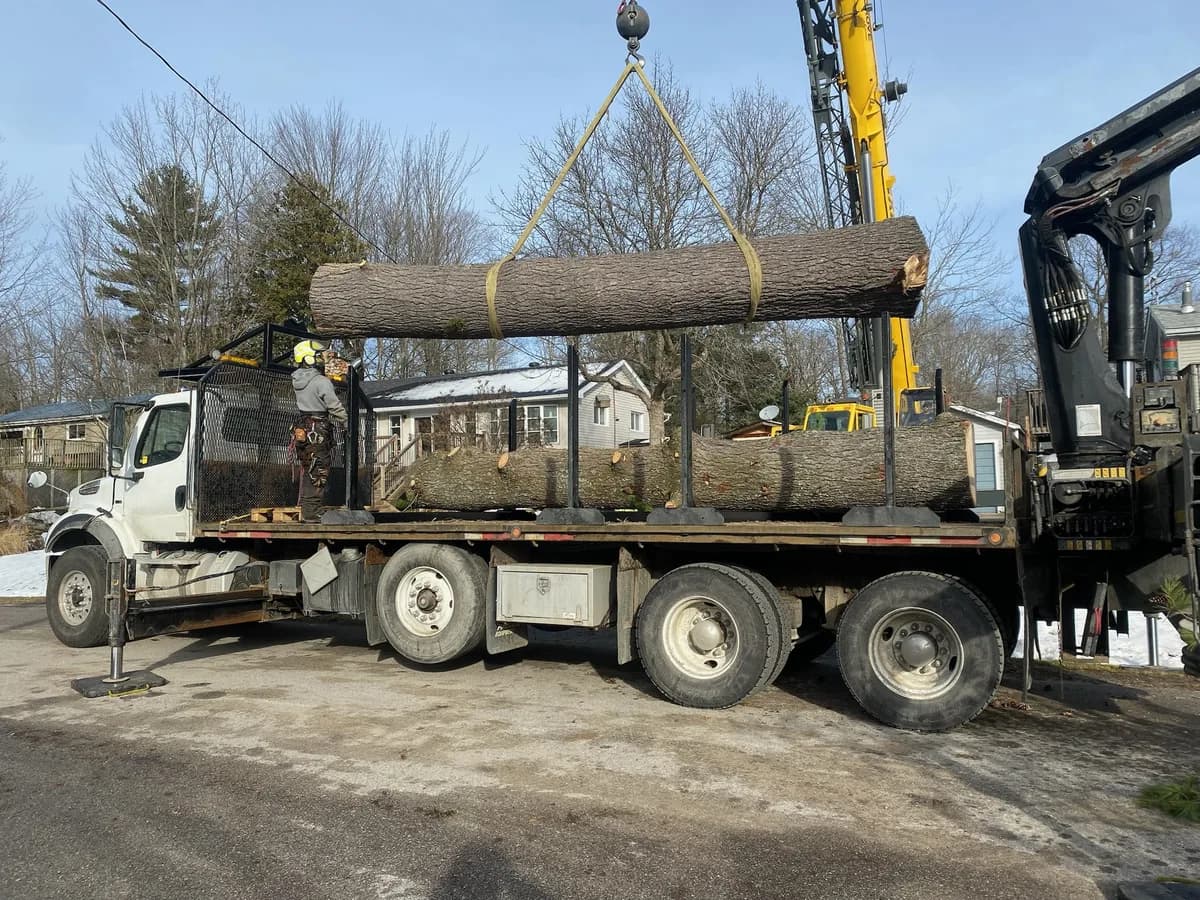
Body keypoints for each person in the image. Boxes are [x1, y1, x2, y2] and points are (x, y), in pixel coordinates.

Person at [291, 339, 348, 522]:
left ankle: (309, 509)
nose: (321, 360)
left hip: (303, 427)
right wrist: (346, 421)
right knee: (319, 469)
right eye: (317, 357)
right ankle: (312, 511)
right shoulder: (321, 382)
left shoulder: (296, 379)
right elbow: (334, 406)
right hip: (318, 429)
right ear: (309, 359)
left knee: (309, 466)